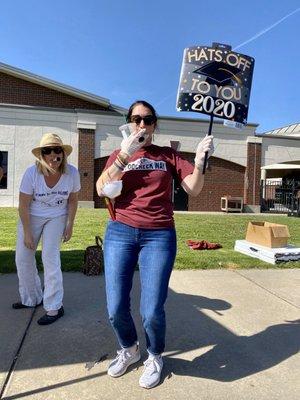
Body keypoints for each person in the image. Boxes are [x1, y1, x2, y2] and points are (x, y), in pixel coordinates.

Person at [96, 100, 214, 389]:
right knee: (115, 307)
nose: (141, 125)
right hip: (120, 231)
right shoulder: (119, 153)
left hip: (158, 235)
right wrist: (125, 155)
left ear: (154, 125)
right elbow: (101, 188)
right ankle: (129, 349)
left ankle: (154, 355)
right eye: (136, 119)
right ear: (129, 122)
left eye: (148, 120)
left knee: (151, 309)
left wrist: (199, 161)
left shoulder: (167, 156)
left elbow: (194, 189)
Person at [13, 133, 81, 325]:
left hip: (57, 216)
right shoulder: (31, 173)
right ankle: (31, 298)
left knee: (50, 257)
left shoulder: (72, 173)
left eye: (57, 150)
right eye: (47, 151)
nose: (53, 155)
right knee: (23, 258)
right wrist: (27, 233)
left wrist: (70, 224)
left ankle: (54, 306)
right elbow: (23, 205)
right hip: (32, 215)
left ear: (63, 153)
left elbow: (73, 200)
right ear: (41, 155)